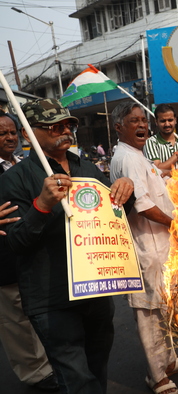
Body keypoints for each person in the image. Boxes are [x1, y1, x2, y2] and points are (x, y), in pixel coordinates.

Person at [0, 98, 134, 393]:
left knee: (97, 368)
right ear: (28, 134)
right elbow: (17, 242)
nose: (64, 130)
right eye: (52, 126)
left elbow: (116, 210)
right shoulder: (14, 180)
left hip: (96, 290)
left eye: (67, 124)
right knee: (75, 379)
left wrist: (126, 188)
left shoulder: (85, 167)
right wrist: (42, 205)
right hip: (52, 298)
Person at [110, 102, 178, 394]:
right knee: (149, 314)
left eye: (143, 120)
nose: (142, 125)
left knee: (163, 310)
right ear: (118, 127)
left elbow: (155, 184)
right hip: (146, 250)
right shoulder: (127, 158)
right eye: (133, 120)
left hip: (160, 248)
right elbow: (143, 205)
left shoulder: (138, 155)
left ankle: (169, 361)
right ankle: (157, 376)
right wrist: (176, 224)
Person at [0, 111, 59, 391]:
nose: (9, 137)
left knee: (38, 313)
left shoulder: (25, 164)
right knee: (16, 322)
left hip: (33, 255)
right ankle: (37, 374)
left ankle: (51, 363)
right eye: (2, 133)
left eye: (12, 132)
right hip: (4, 262)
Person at [143, 103, 178, 175]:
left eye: (170, 120)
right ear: (156, 122)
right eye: (163, 121)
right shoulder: (151, 142)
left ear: (175, 120)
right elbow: (156, 169)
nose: (167, 124)